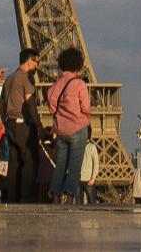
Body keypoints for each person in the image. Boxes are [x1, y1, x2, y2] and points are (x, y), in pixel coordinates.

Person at [43, 48, 92, 205]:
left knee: (60, 165)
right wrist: (84, 118)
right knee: (75, 165)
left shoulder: (56, 85)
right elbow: (86, 107)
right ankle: (70, 195)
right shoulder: (79, 84)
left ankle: (55, 194)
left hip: (61, 130)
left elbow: (51, 105)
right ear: (78, 64)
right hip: (78, 129)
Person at [0, 46, 44, 204]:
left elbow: (1, 104)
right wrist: (38, 125)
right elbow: (30, 102)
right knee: (29, 160)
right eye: (36, 63)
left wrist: (5, 121)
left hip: (10, 124)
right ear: (30, 61)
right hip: (23, 125)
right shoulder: (24, 78)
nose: (37, 67)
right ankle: (27, 198)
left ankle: (13, 198)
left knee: (14, 163)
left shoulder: (9, 79)